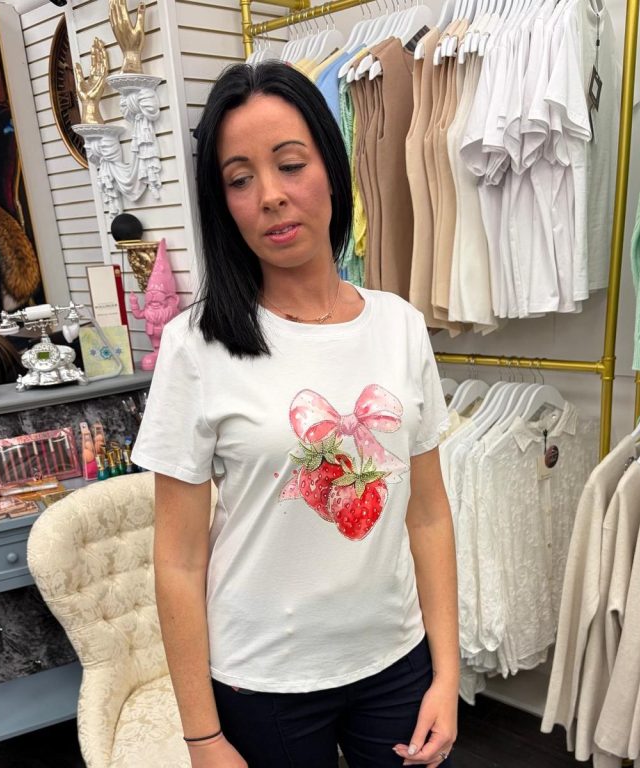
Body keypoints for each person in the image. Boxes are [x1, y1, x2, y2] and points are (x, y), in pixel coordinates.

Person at [131, 61, 459, 768]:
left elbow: (429, 514)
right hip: (262, 681)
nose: (271, 196)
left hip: (396, 660)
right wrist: (201, 736)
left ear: (332, 171)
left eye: (290, 164)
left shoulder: (400, 327)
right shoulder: (196, 345)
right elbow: (178, 559)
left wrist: (447, 672)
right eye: (240, 179)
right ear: (223, 203)